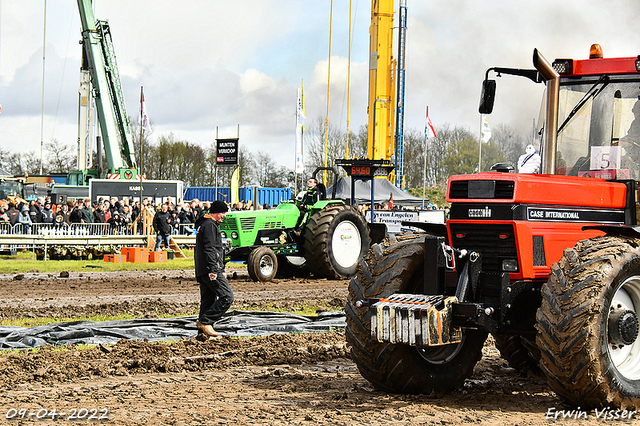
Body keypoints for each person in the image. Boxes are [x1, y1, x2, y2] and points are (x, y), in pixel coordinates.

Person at [194, 200, 233, 338]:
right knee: (227, 297)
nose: (224, 216)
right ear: (216, 212)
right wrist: (214, 269)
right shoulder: (210, 226)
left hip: (202, 269)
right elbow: (210, 249)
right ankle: (205, 322)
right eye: (223, 213)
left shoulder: (204, 224)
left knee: (208, 300)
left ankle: (203, 335)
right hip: (209, 269)